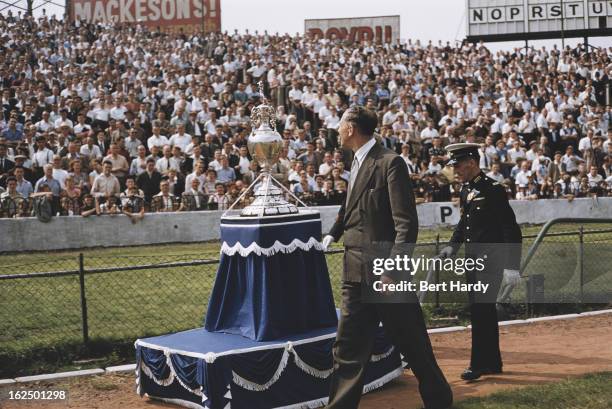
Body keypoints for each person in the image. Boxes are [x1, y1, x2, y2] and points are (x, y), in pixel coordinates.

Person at [321, 106, 452, 409]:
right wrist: (333, 232)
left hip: (385, 275)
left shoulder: (390, 163)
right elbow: (350, 205)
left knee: (413, 343)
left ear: (351, 128)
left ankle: (439, 400)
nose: (337, 130)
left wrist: (391, 270)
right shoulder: (355, 162)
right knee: (348, 348)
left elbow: (406, 224)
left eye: (340, 124)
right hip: (354, 272)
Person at [439, 143, 523, 381]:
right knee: (483, 311)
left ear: (472, 163)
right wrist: (451, 247)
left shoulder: (493, 189)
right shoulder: (466, 190)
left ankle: (478, 365)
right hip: (472, 261)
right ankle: (492, 363)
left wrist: (512, 266)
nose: (455, 170)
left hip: (491, 261)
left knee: (480, 311)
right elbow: (464, 224)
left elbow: (510, 229)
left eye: (457, 165)